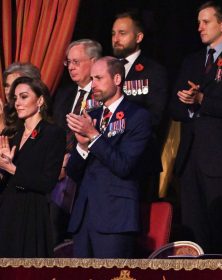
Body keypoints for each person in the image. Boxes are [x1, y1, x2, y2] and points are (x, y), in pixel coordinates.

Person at [170, 1, 222, 257]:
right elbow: (173, 107)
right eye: (198, 22)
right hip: (189, 160)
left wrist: (203, 101)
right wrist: (187, 103)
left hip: (220, 161)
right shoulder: (191, 61)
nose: (200, 27)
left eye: (206, 22)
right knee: (193, 234)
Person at [66, 56, 151, 258]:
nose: (93, 84)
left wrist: (94, 136)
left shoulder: (137, 116)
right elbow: (73, 172)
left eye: (98, 78)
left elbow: (124, 165)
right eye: (92, 79)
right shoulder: (91, 116)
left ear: (117, 79)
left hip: (114, 217)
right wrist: (81, 145)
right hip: (84, 217)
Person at [0, 76, 66, 257]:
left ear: (40, 100)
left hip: (31, 213)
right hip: (6, 210)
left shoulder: (53, 134)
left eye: (23, 97)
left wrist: (11, 168)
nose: (17, 103)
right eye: (15, 98)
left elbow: (47, 183)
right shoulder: (12, 134)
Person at [112, 10, 168, 201]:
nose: (116, 38)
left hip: (139, 158)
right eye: (113, 33)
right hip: (107, 157)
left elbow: (155, 116)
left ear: (139, 37)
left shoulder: (153, 71)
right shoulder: (106, 68)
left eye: (122, 33)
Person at [51, 39, 102, 246]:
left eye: (76, 62)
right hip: (58, 175)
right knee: (53, 231)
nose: (70, 67)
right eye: (68, 62)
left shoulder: (102, 94)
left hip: (88, 172)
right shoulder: (64, 94)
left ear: (93, 61)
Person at [2, 63, 41, 137]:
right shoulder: (6, 112)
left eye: (15, 85)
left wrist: (1, 124)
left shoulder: (31, 119)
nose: (8, 91)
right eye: (7, 86)